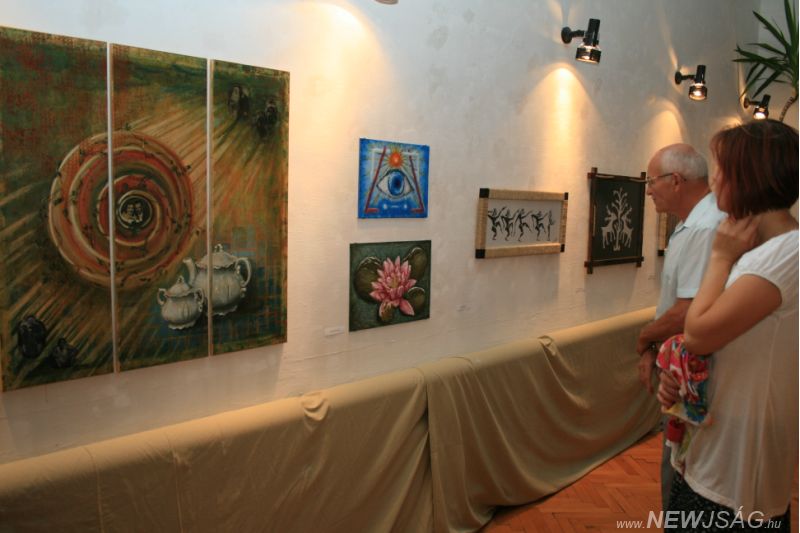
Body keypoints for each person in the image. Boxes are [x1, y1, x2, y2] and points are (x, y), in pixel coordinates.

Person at [659, 119, 798, 531]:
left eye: (721, 168)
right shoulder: (763, 250)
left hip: (735, 478)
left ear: (749, 175)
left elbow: (699, 334)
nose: (714, 179)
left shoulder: (788, 252)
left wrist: (720, 257)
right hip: (712, 452)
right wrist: (679, 380)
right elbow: (720, 343)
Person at [635, 143, 726, 510]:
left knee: (681, 473)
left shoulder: (704, 227)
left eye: (651, 181)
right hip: (682, 367)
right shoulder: (695, 223)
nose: (648, 191)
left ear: (675, 180)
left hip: (694, 374)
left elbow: (688, 310)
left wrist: (644, 339)